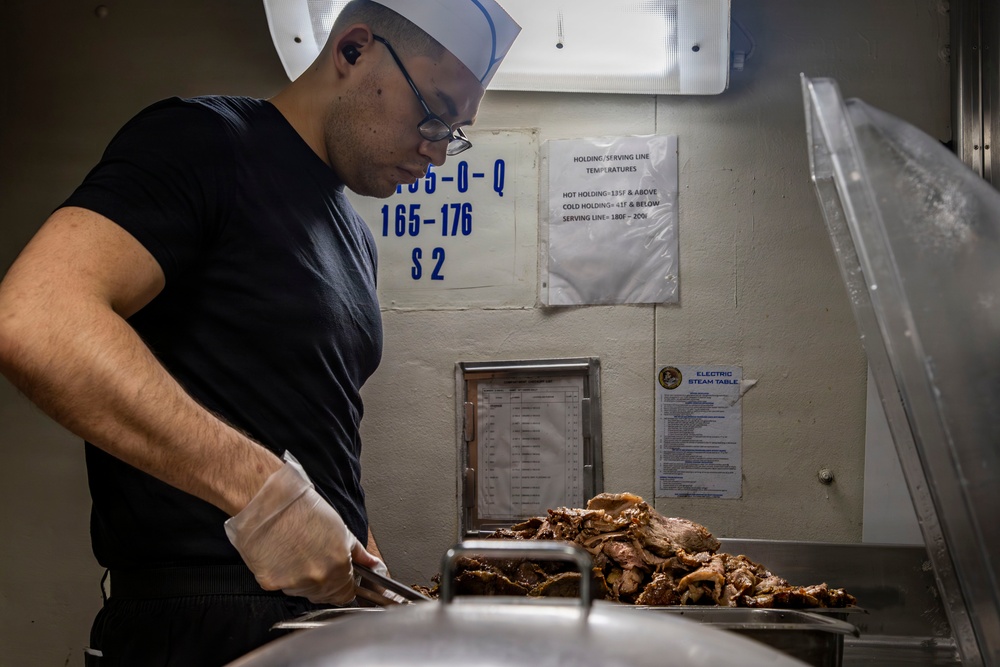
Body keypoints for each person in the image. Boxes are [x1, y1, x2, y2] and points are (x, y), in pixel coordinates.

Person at [0, 0, 520, 664]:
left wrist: (369, 572)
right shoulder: (203, 141)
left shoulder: (356, 240)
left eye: (456, 131)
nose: (439, 151)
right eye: (434, 112)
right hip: (196, 630)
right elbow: (39, 316)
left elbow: (311, 431)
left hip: (322, 623)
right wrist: (267, 499)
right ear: (353, 49)